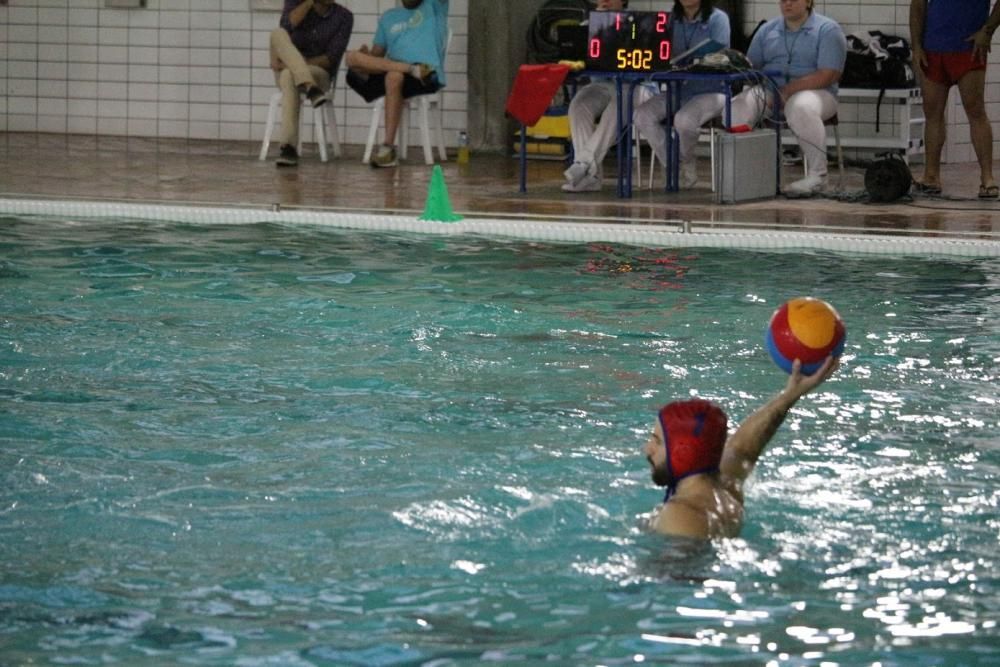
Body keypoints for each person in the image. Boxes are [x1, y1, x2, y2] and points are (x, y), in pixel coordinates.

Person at [644, 356, 838, 539]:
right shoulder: (725, 486)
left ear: (683, 452)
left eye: (657, 441)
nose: (647, 450)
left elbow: (675, 572)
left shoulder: (680, 515)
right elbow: (742, 448)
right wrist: (790, 396)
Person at [726, 0, 847, 196]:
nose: (787, 3)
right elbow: (750, 67)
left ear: (808, 2)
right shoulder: (767, 30)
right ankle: (750, 173)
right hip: (771, 91)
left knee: (800, 106)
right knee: (736, 109)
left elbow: (828, 74)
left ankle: (819, 176)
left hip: (819, 93)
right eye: (783, 0)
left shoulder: (828, 30)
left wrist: (788, 90)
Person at [633, 0, 731, 189]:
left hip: (712, 91)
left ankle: (687, 162)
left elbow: (721, 56)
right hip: (678, 89)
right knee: (641, 115)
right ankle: (672, 163)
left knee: (683, 120)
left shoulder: (718, 19)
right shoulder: (669, 20)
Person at [910, 0, 1000, 198]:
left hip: (968, 47)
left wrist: (987, 31)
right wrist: (916, 45)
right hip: (933, 48)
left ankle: (987, 178)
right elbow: (918, 5)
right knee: (932, 113)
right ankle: (931, 175)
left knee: (975, 110)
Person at [345, 0, 449, 168]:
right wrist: (367, 56)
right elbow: (377, 55)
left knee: (394, 76)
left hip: (426, 75)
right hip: (396, 69)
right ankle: (410, 68)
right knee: (351, 58)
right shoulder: (389, 17)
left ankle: (388, 148)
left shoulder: (434, 6)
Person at [563, 0, 648, 193]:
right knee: (578, 105)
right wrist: (597, 21)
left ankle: (583, 165)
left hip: (636, 87)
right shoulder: (587, 25)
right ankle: (591, 177)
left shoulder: (638, 22)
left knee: (620, 102)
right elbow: (576, 56)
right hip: (602, 85)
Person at [269, 0, 353, 168]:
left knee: (288, 74)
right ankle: (310, 87)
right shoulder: (295, 3)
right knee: (277, 33)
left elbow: (331, 58)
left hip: (319, 74)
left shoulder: (344, 17)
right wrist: (308, 3)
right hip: (299, 76)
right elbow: (286, 25)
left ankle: (288, 148)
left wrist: (296, 65)